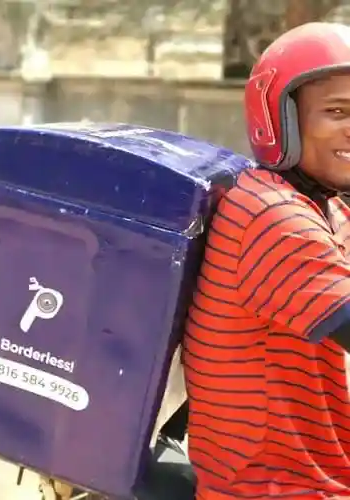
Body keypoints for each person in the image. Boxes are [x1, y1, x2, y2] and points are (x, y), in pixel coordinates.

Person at [183, 22, 350, 500]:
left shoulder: (324, 208)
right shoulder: (272, 216)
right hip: (280, 488)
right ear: (279, 120)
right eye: (337, 111)